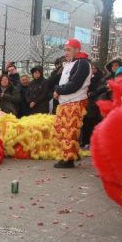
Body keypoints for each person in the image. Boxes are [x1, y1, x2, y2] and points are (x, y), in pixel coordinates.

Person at [52, 38, 92, 168]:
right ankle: (73, 153)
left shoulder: (82, 63)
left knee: (69, 131)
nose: (66, 52)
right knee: (62, 130)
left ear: (77, 49)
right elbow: (65, 82)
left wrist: (58, 90)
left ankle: (68, 160)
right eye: (65, 50)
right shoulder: (71, 63)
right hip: (66, 102)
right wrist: (58, 90)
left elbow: (75, 84)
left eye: (68, 50)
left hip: (75, 101)